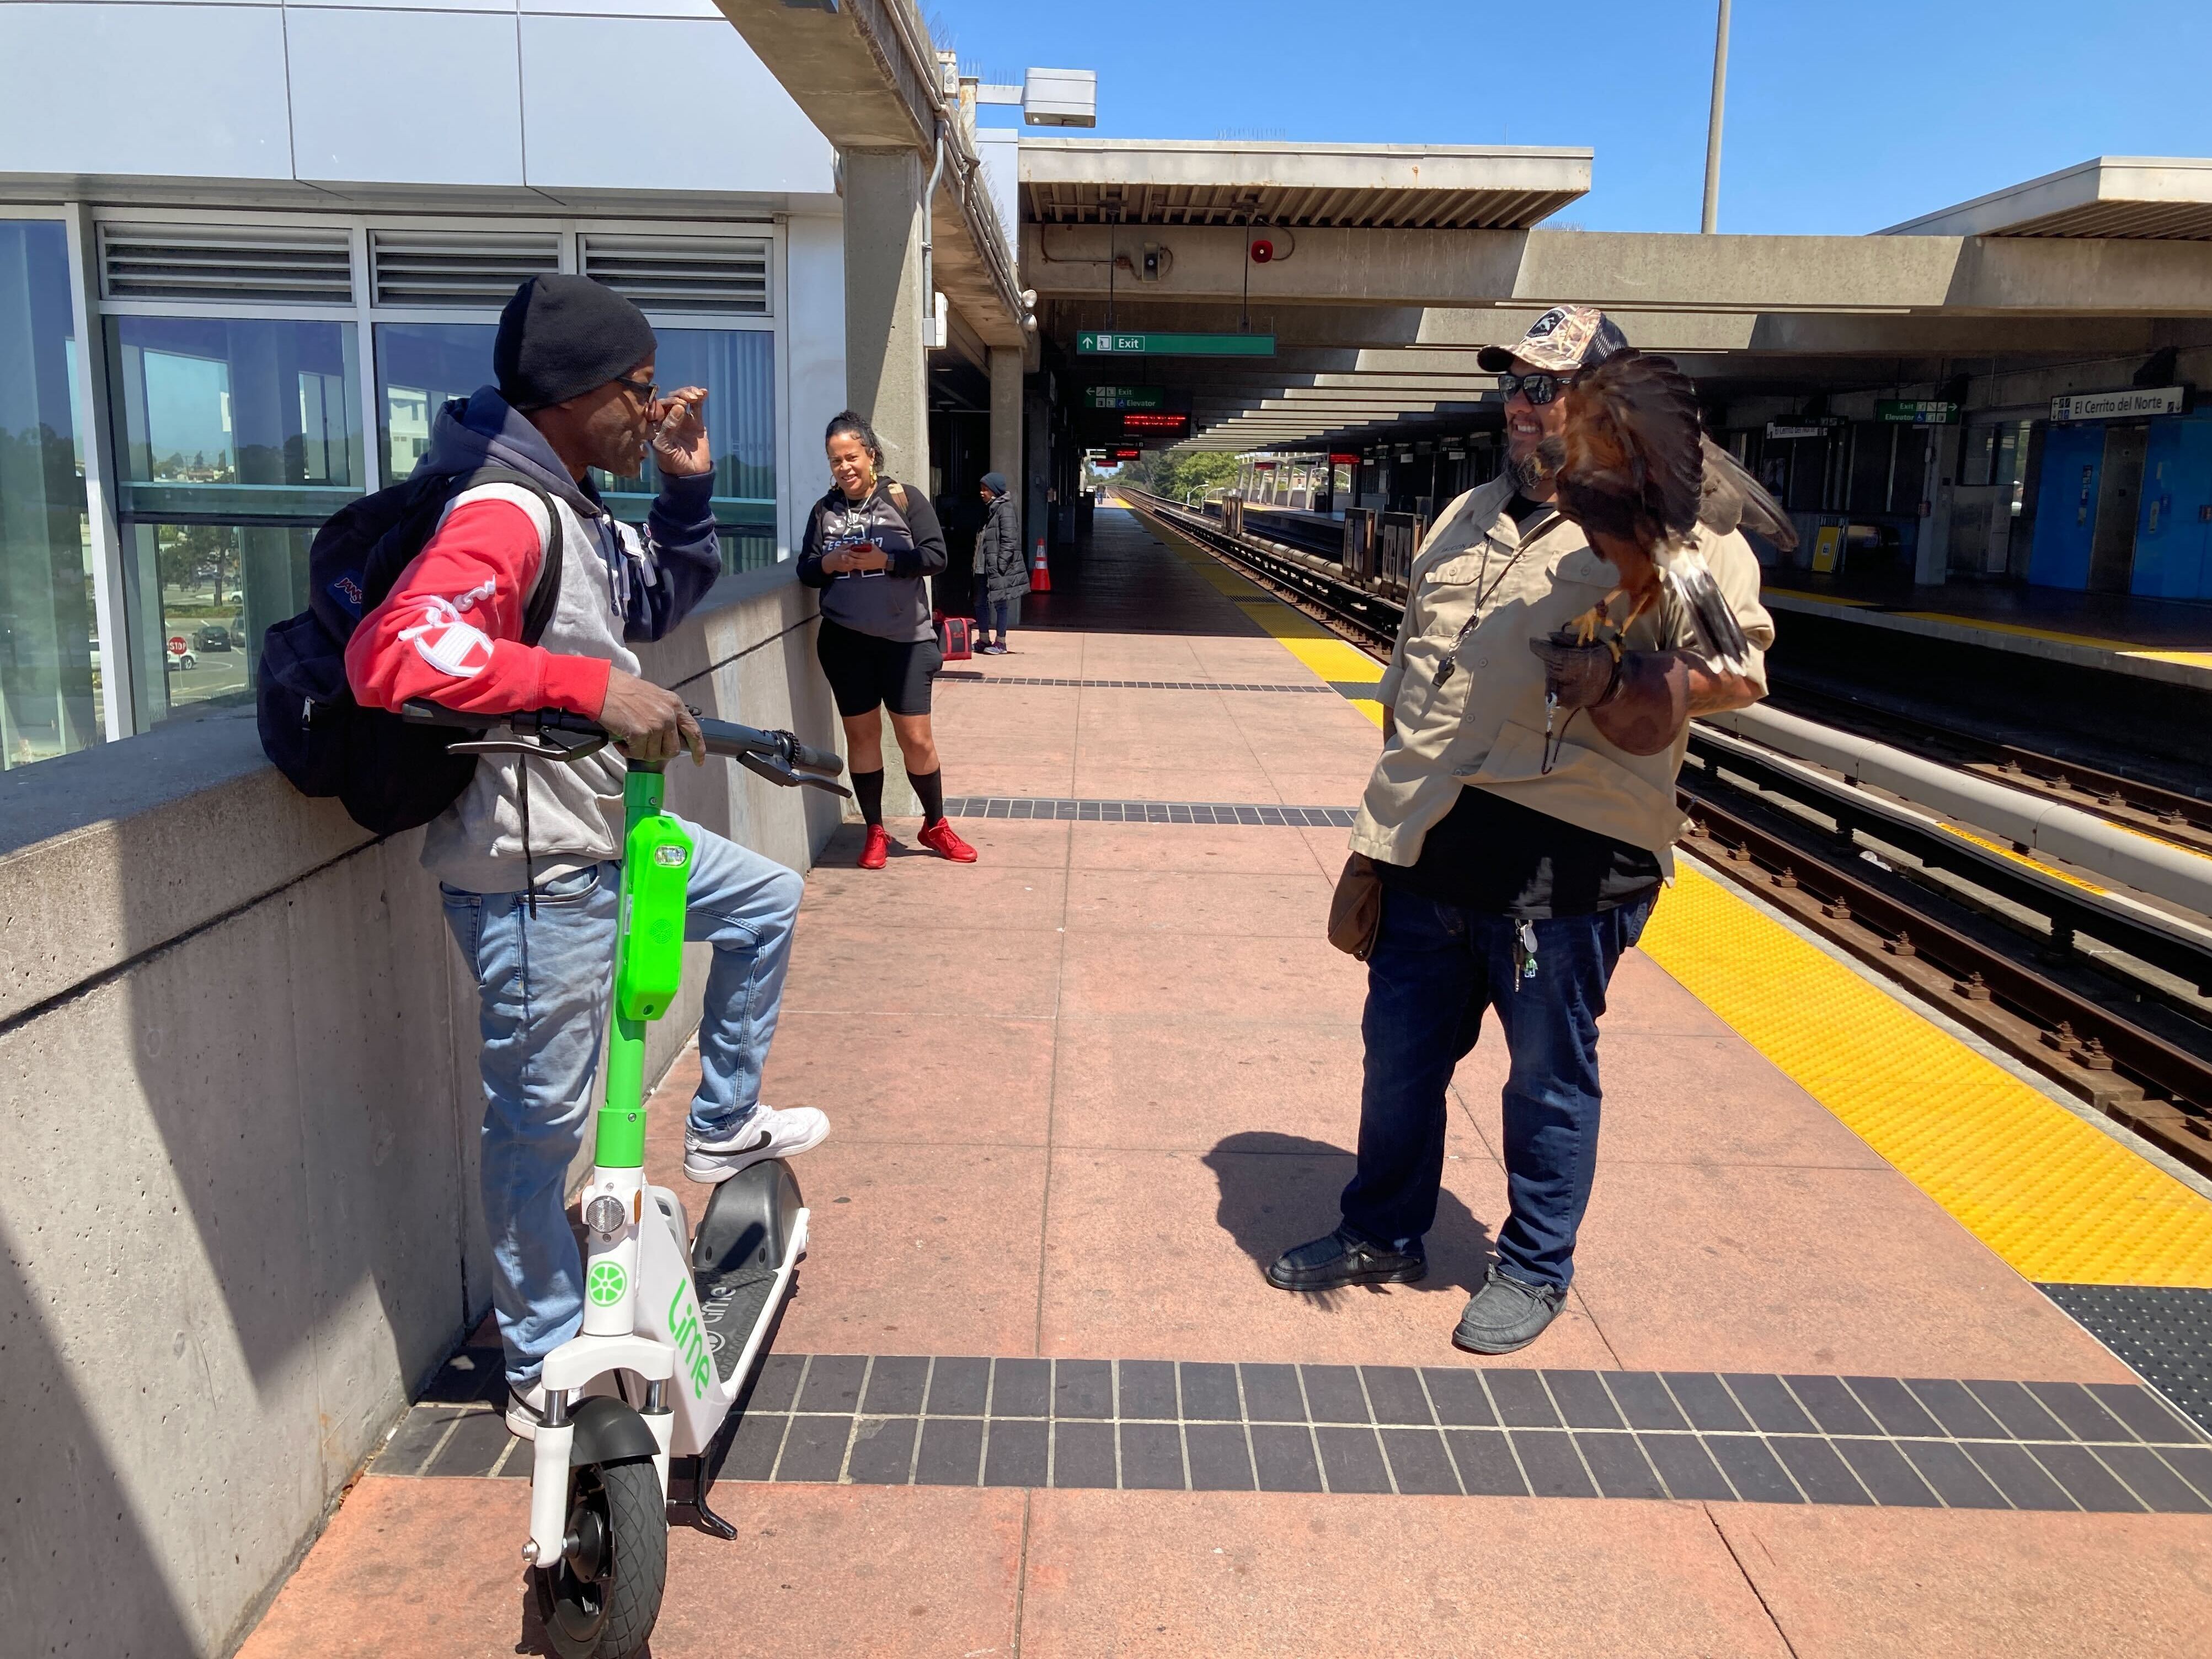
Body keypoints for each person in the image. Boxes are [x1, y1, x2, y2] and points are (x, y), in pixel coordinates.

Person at [345, 274, 830, 1435]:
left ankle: (720, 1120)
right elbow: (396, 655)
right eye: (642, 393)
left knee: (765, 899)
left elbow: (651, 602)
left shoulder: (572, 502)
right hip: (534, 875)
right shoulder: (504, 509)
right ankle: (542, 1357)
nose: (651, 411)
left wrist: (687, 481)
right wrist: (587, 690)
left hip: (610, 837)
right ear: (580, 392)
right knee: (537, 1130)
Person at [1267, 305, 1774, 1355]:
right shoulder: (1461, 518)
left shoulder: (1687, 534)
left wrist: (1631, 675)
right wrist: (1379, 830)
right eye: (1514, 386)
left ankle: (1536, 1265)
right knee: (1397, 1062)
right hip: (1433, 841)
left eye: (1547, 387)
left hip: (1569, 862)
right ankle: (1383, 1230)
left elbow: (1737, 670)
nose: (1523, 405)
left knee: (1547, 1074)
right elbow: (1416, 674)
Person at [798, 410, 979, 870]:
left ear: (871, 454)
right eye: (835, 460)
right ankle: (875, 830)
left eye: (852, 457)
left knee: (916, 738)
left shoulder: (903, 499)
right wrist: (830, 565)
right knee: (863, 737)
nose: (845, 467)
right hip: (845, 641)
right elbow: (805, 569)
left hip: (906, 642)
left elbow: (937, 556)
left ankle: (935, 824)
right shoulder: (825, 511)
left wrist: (888, 558)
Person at [972, 471, 1028, 654]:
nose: (982, 493)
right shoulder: (987, 509)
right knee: (979, 602)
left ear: (995, 491)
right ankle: (983, 639)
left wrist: (1001, 565)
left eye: (985, 489)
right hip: (982, 566)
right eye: (981, 489)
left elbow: (1010, 540)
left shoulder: (1005, 509)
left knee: (1000, 604)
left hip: (995, 567)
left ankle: (1001, 643)